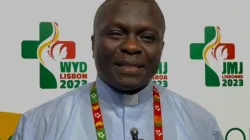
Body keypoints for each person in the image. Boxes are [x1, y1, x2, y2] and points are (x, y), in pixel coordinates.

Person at [12, 0, 224, 140]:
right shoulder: (40, 125)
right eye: (116, 33)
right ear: (93, 44)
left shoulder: (201, 125)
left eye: (147, 37)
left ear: (161, 48)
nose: (131, 46)